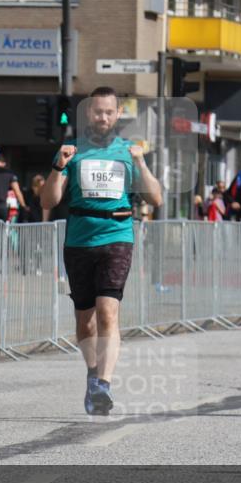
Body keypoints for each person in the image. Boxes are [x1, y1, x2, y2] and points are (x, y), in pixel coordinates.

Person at [41, 86, 162, 415]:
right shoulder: (72, 150)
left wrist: (142, 163)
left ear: (118, 114)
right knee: (86, 322)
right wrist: (57, 167)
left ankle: (103, 384)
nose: (103, 117)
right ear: (88, 113)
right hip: (80, 238)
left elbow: (156, 198)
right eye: (97, 111)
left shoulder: (127, 151)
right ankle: (93, 373)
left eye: (109, 112)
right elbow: (48, 202)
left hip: (117, 234)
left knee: (108, 313)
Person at [0, 151, 27, 222]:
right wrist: (23, 206)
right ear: (4, 163)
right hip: (2, 207)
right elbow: (17, 191)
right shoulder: (9, 173)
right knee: (1, 230)